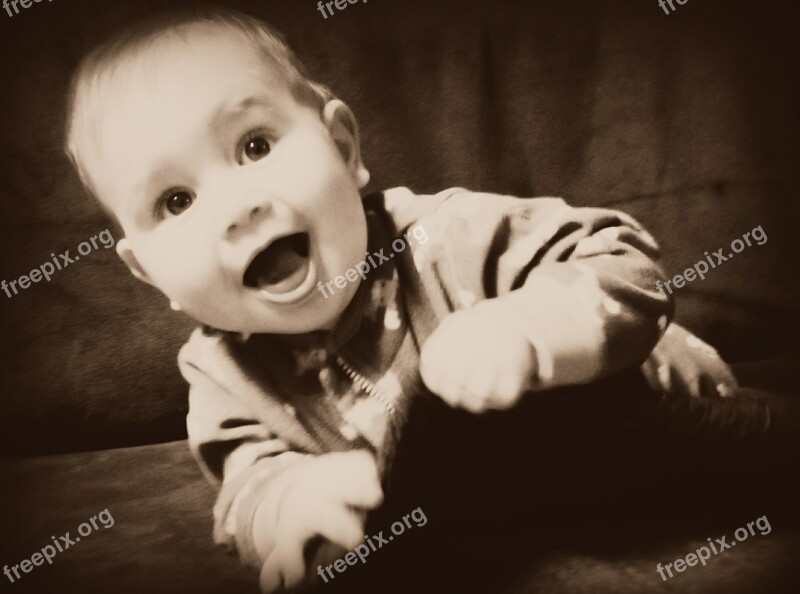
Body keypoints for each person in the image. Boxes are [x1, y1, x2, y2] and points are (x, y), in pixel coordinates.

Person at [64, 7, 792, 592]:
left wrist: (531, 326)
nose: (236, 208)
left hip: (623, 417)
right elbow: (243, 483)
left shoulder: (443, 235)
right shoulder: (220, 374)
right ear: (149, 274)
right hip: (466, 504)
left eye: (255, 146)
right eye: (176, 199)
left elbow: (618, 256)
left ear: (344, 150)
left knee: (743, 441)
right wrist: (285, 500)